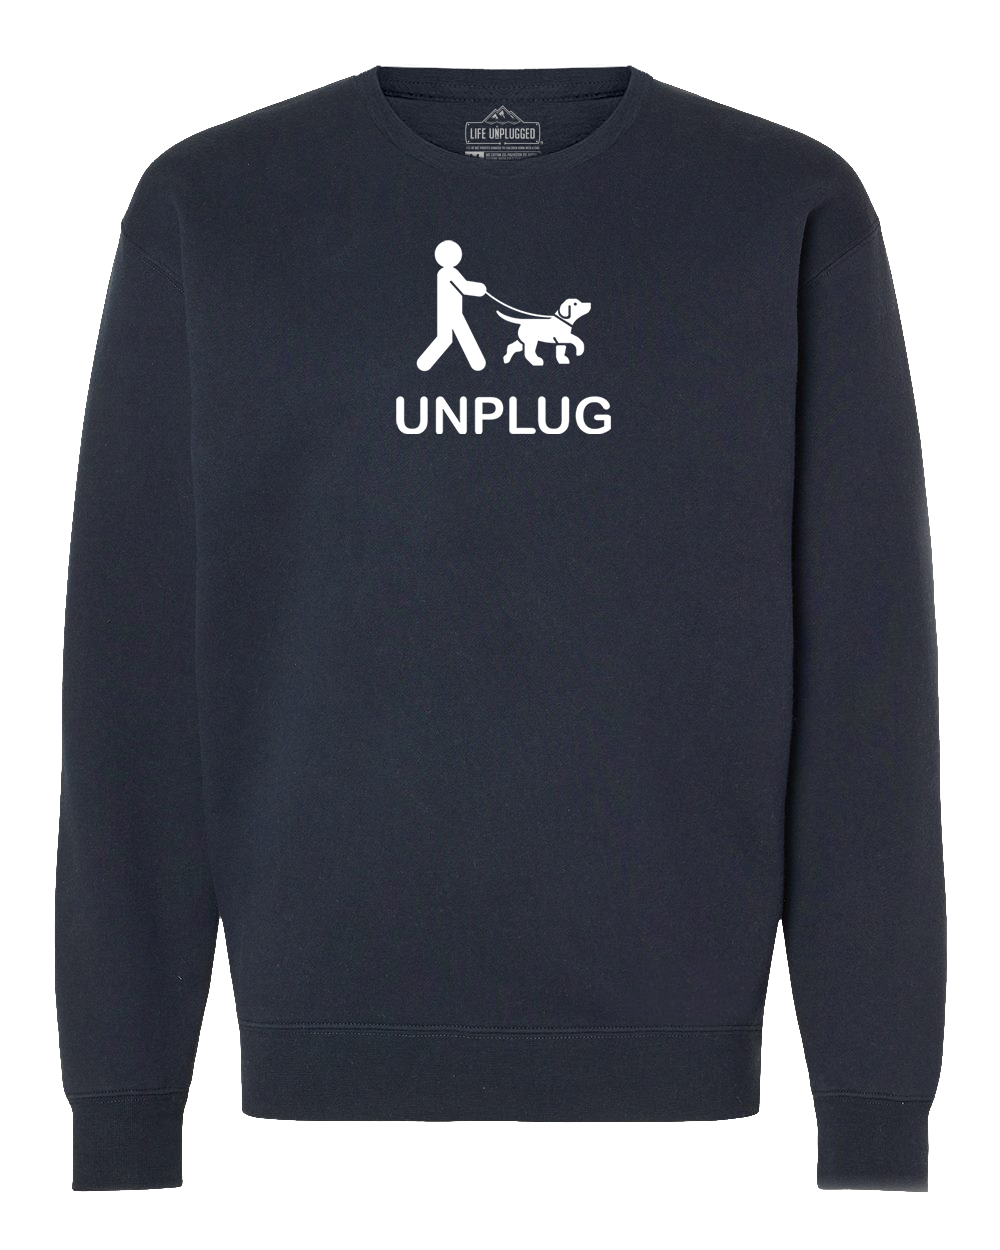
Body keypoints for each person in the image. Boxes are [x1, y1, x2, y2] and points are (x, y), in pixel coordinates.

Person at [416, 240, 487, 371]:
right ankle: (477, 363)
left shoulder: (443, 273)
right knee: (461, 336)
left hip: (447, 311)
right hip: (452, 312)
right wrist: (480, 289)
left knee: (445, 339)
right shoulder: (449, 273)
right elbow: (464, 287)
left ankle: (424, 363)